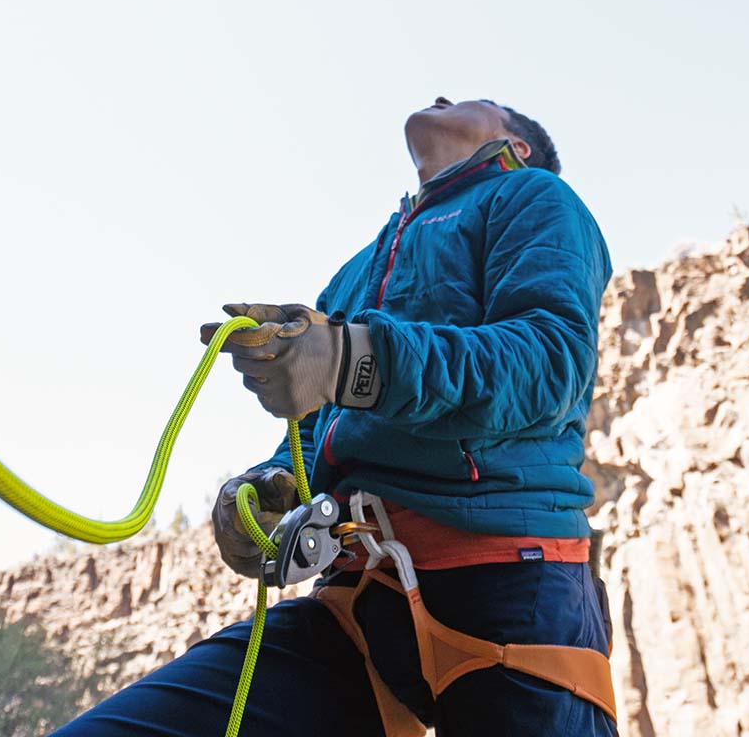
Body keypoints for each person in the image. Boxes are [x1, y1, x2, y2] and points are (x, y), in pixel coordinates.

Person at [54, 97, 615, 736]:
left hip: (516, 585)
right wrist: (270, 486)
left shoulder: (534, 197)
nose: (439, 99)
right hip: (356, 604)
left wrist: (354, 359)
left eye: (471, 100)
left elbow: (551, 361)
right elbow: (320, 431)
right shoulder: (360, 268)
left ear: (515, 148)